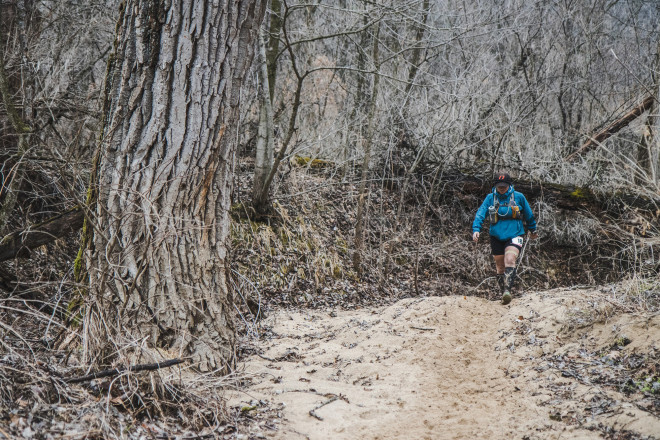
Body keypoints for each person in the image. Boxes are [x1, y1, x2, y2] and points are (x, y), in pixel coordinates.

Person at [472, 173, 538, 305]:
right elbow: (481, 213)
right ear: (495, 186)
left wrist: (533, 229)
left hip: (515, 234)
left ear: (509, 185)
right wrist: (476, 229)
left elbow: (528, 214)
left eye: (504, 186)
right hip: (496, 235)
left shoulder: (519, 197)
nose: (502, 188)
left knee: (510, 259)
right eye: (499, 186)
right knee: (500, 266)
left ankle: (507, 290)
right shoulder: (490, 198)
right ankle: (504, 293)